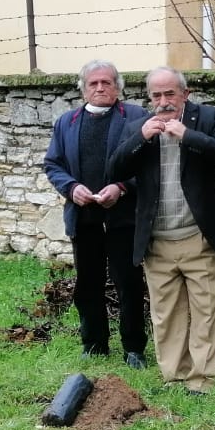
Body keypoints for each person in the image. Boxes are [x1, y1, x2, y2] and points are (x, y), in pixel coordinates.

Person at [106, 67, 215, 394]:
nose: (164, 101)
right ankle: (174, 377)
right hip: (157, 242)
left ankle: (201, 382)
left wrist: (187, 135)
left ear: (185, 93)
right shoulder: (139, 127)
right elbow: (114, 168)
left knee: (205, 314)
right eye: (157, 95)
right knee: (167, 317)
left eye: (170, 94)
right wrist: (142, 138)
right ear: (149, 97)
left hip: (200, 238)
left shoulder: (208, 117)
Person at [42, 60, 149, 367]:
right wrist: (71, 187)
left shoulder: (136, 117)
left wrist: (122, 188)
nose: (100, 88)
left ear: (118, 87)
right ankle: (94, 343)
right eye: (93, 83)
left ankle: (133, 348)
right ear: (83, 89)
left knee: (128, 282)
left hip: (123, 218)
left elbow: (148, 166)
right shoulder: (67, 122)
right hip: (84, 217)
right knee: (87, 283)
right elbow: (53, 164)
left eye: (106, 83)